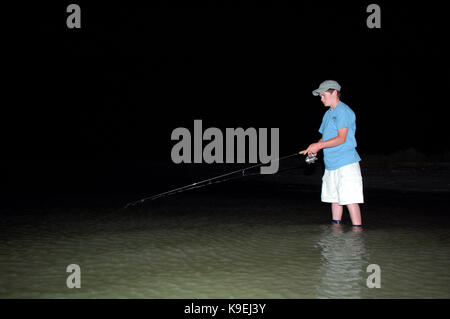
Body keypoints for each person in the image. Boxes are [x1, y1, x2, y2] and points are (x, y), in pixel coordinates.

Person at [303, 80, 363, 228]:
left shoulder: (343, 111)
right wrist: (314, 148)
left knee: (350, 200)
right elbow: (325, 137)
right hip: (331, 165)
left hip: (346, 163)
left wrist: (319, 145)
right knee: (334, 200)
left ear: (334, 93)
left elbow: (342, 138)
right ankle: (335, 232)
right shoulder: (328, 114)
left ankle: (357, 235)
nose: (321, 99)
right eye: (320, 96)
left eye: (324, 95)